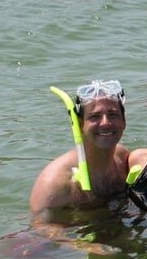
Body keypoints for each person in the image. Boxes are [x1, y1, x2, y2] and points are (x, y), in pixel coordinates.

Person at [29, 79, 130, 223]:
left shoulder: (122, 158)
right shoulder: (55, 181)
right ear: (81, 124)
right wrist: (84, 246)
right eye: (95, 117)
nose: (105, 123)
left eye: (113, 115)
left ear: (124, 121)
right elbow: (41, 229)